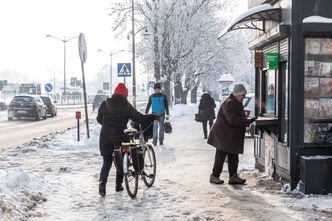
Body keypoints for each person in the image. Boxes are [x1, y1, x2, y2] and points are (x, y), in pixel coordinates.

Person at [97, 83, 158, 197]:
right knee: (120, 159)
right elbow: (140, 118)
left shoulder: (105, 104)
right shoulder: (126, 106)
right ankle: (118, 185)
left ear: (114, 93)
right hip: (119, 135)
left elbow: (99, 119)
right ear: (125, 95)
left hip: (104, 136)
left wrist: (107, 124)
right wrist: (152, 116)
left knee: (107, 162)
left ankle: (102, 184)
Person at [208, 84, 256, 185]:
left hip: (230, 135)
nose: (243, 97)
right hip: (223, 134)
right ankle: (214, 176)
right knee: (221, 155)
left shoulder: (235, 101)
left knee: (233, 155)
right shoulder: (229, 103)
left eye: (244, 95)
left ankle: (233, 176)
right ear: (237, 94)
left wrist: (246, 121)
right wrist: (246, 121)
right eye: (242, 95)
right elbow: (232, 119)